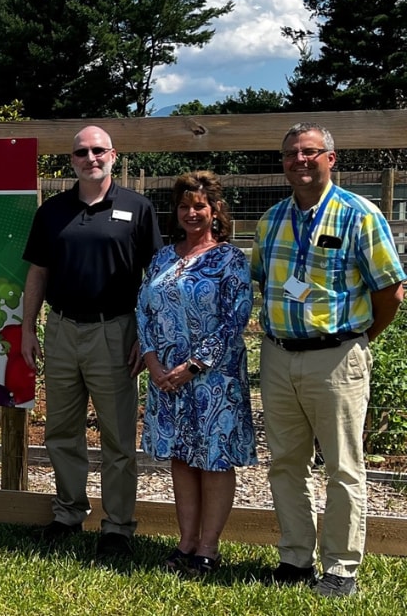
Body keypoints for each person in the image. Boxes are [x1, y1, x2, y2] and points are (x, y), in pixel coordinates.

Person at [253, 122, 405, 597]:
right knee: (285, 463)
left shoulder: (360, 215)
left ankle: (340, 569)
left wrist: (357, 339)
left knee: (343, 468)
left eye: (310, 152)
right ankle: (295, 560)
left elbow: (391, 291)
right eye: (291, 154)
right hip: (278, 357)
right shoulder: (271, 219)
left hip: (336, 358)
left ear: (330, 159)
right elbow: (264, 280)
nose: (300, 160)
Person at [20, 125, 163, 557]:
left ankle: (118, 526)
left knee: (118, 436)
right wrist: (28, 327)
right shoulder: (53, 212)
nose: (90, 158)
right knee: (61, 431)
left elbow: (154, 279)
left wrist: (148, 334)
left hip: (116, 331)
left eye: (98, 150)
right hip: (61, 329)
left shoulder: (138, 209)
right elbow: (38, 272)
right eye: (81, 152)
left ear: (114, 155)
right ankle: (68, 514)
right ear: (72, 161)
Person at [136, 171, 256, 575]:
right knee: (182, 459)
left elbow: (234, 319)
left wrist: (193, 366)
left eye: (199, 206)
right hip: (165, 378)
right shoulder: (162, 258)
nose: (191, 213)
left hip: (214, 380)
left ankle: (209, 547)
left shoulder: (230, 260)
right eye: (185, 206)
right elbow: (144, 311)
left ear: (215, 210)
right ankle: (185, 542)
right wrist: (153, 363)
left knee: (214, 461)